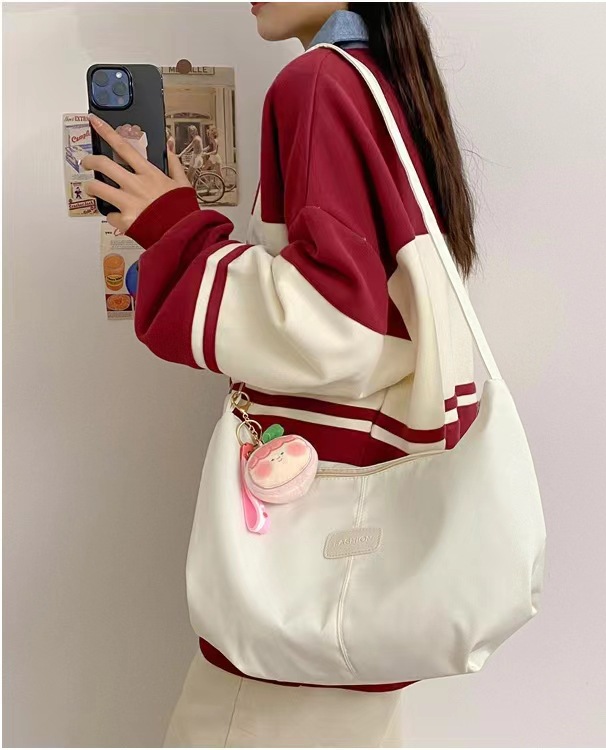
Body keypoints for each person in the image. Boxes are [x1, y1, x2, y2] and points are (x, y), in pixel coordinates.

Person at [82, 3, 480, 746]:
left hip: (303, 589)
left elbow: (338, 326)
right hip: (360, 589)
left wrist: (173, 231)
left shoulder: (318, 82)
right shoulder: (388, 81)